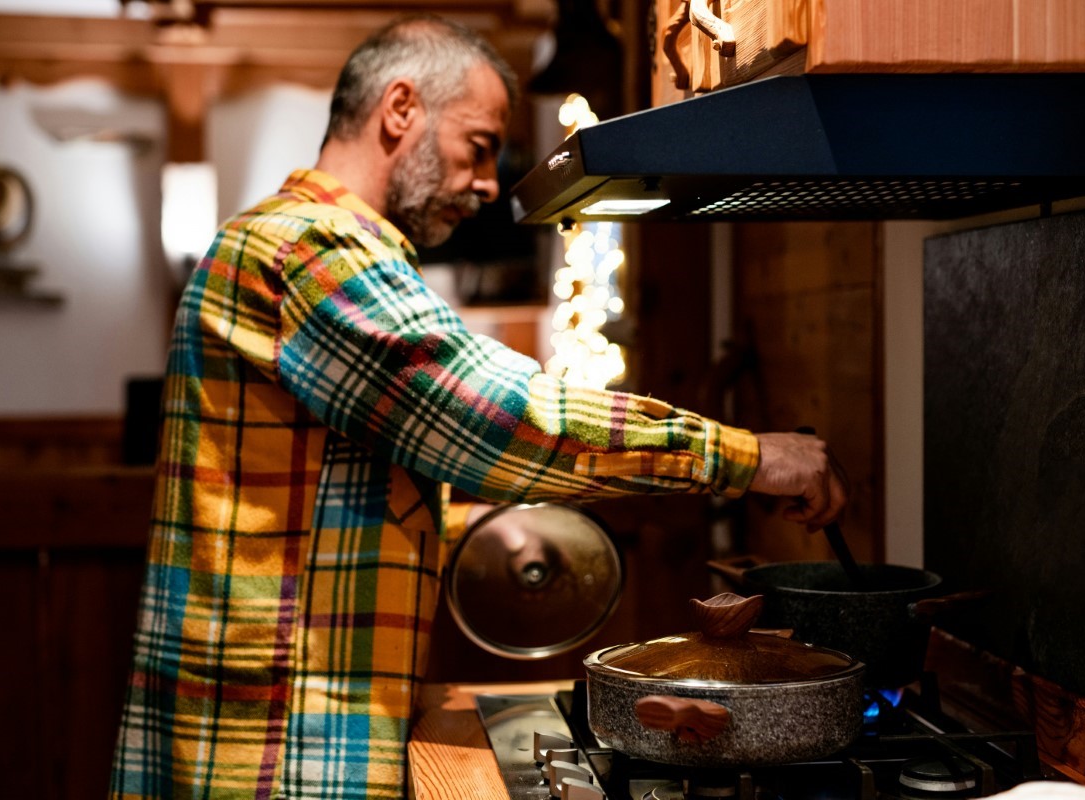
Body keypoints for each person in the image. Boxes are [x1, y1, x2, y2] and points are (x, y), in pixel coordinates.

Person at [109, 14, 848, 800]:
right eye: (480, 145)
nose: (492, 183)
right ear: (400, 110)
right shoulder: (310, 250)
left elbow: (322, 489)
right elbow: (496, 415)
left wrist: (476, 522)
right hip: (276, 753)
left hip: (279, 733)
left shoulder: (296, 243)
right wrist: (746, 455)